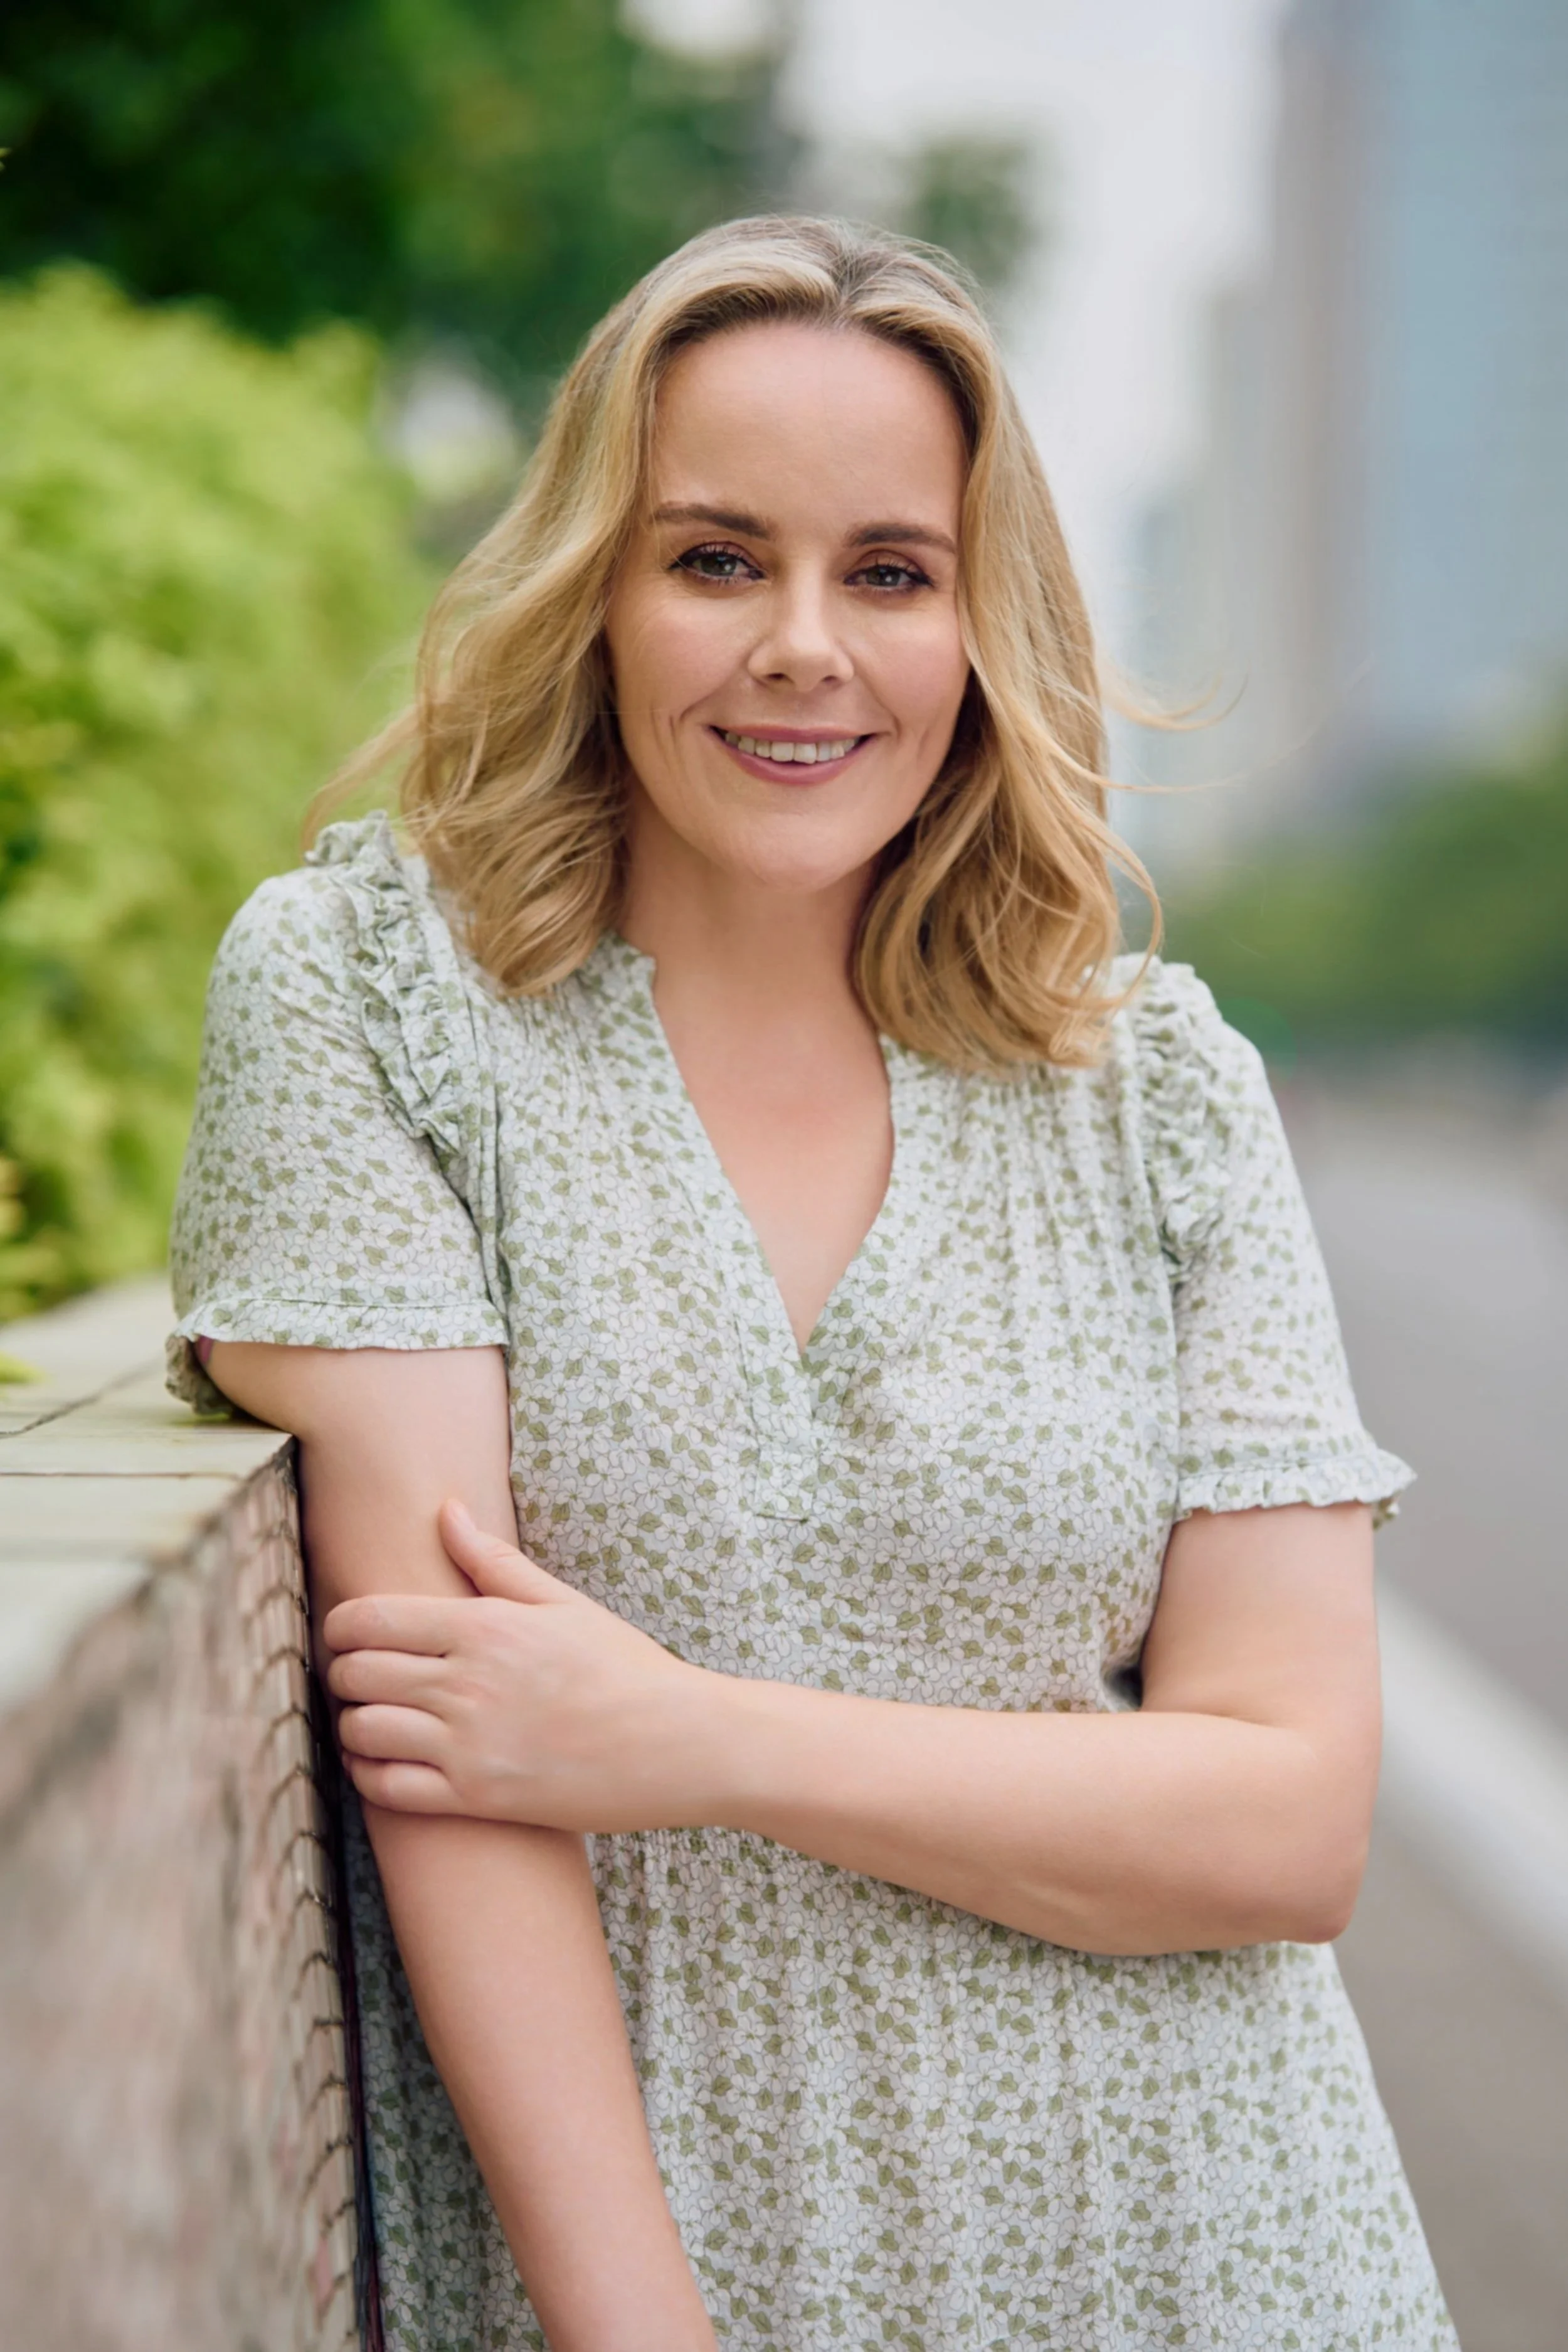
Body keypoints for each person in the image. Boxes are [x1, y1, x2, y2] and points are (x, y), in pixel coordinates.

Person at [167, 215, 1457, 2352]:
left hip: (1212, 2247)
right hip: (664, 2250)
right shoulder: (371, 999)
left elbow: (1286, 1814)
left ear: (978, 626)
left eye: (886, 571)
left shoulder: (1158, 1088)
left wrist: (691, 1738)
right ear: (592, 585)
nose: (800, 648)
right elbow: (452, 1754)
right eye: (710, 558)